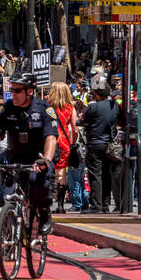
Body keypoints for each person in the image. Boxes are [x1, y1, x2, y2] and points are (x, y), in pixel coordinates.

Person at [0, 73, 57, 235]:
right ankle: (9, 235)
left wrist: (45, 160)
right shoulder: (8, 108)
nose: (13, 94)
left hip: (37, 160)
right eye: (11, 90)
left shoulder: (44, 109)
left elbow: (51, 137)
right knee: (9, 195)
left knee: (39, 187)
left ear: (29, 91)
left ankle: (44, 214)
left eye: (17, 91)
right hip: (14, 159)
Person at [79, 78, 123, 213]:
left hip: (95, 144)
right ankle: (104, 205)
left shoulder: (92, 106)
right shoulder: (114, 105)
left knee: (95, 174)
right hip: (109, 144)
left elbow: (81, 121)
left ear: (97, 94)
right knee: (106, 174)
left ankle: (96, 206)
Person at [44, 81, 76, 209]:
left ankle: (48, 201)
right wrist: (73, 142)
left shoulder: (47, 106)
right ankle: (61, 205)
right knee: (61, 172)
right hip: (64, 142)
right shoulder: (70, 108)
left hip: (50, 140)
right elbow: (74, 128)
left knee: (47, 169)